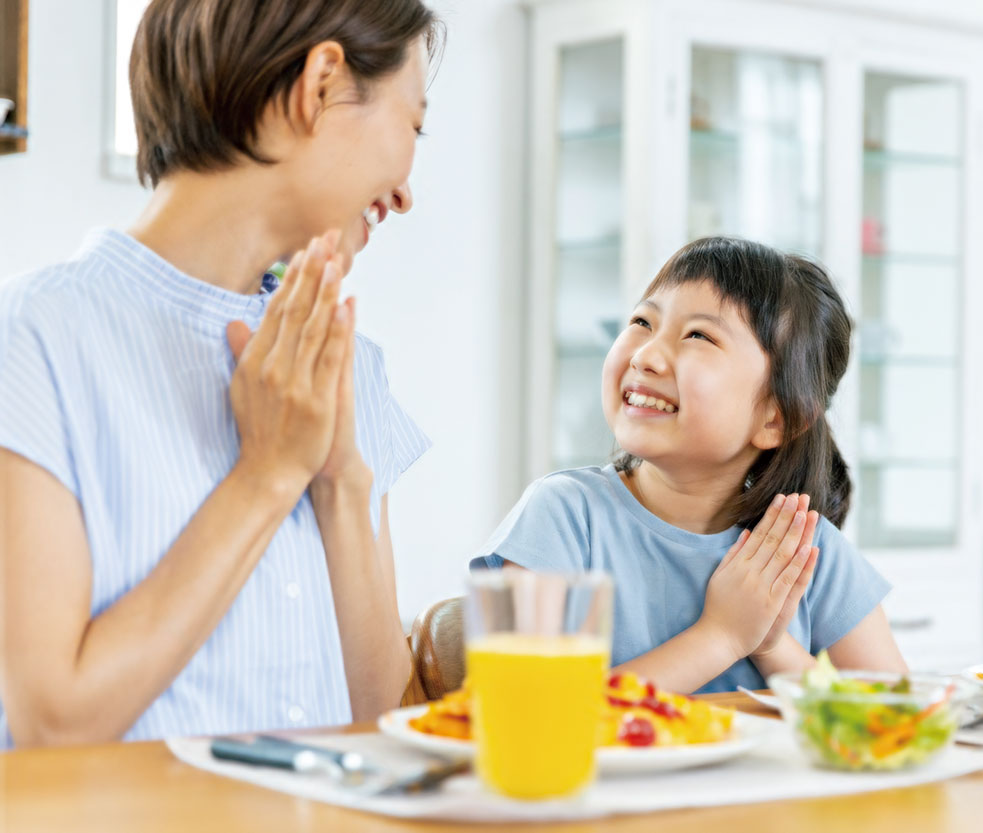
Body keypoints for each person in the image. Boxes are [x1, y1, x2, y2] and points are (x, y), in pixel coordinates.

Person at [0, 0, 441, 747]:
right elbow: (53, 724)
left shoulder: (347, 363)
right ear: (323, 84)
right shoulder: (39, 337)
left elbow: (379, 714)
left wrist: (339, 481)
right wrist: (267, 474)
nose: (405, 191)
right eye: (415, 126)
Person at [472, 237, 907, 693]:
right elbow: (532, 710)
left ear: (776, 418)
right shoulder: (564, 516)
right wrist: (721, 636)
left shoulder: (800, 549)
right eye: (642, 321)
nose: (645, 355)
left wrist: (767, 642)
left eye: (698, 335)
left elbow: (894, 718)